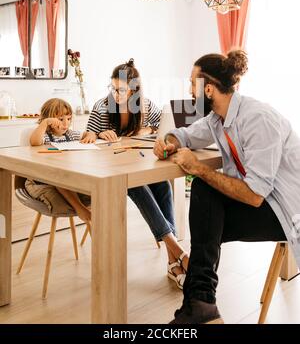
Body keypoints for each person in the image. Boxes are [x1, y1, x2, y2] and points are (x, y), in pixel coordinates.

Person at [154, 50, 300, 324]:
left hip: (286, 214)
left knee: (205, 208)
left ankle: (200, 306)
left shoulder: (258, 118)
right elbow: (187, 134)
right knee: (205, 202)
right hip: (265, 203)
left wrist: (198, 168)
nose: (189, 90)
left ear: (208, 89)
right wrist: (169, 139)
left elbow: (255, 195)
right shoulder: (217, 119)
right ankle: (201, 304)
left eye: (191, 84)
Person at [81, 58, 189, 288]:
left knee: (162, 186)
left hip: (140, 162)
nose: (115, 94)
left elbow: (165, 130)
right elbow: (87, 135)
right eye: (112, 88)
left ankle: (173, 261)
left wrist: (148, 129)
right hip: (110, 170)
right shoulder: (102, 107)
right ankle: (178, 250)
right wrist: (99, 135)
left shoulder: (147, 106)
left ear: (134, 89)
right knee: (137, 186)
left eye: (120, 90)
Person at [26, 98, 91, 223]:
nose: (66, 124)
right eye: (61, 119)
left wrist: (90, 136)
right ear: (50, 120)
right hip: (44, 178)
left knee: (66, 176)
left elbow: (87, 134)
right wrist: (44, 123)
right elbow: (34, 142)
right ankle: (79, 207)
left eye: (69, 118)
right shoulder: (45, 136)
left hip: (65, 175)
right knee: (60, 177)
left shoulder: (70, 134)